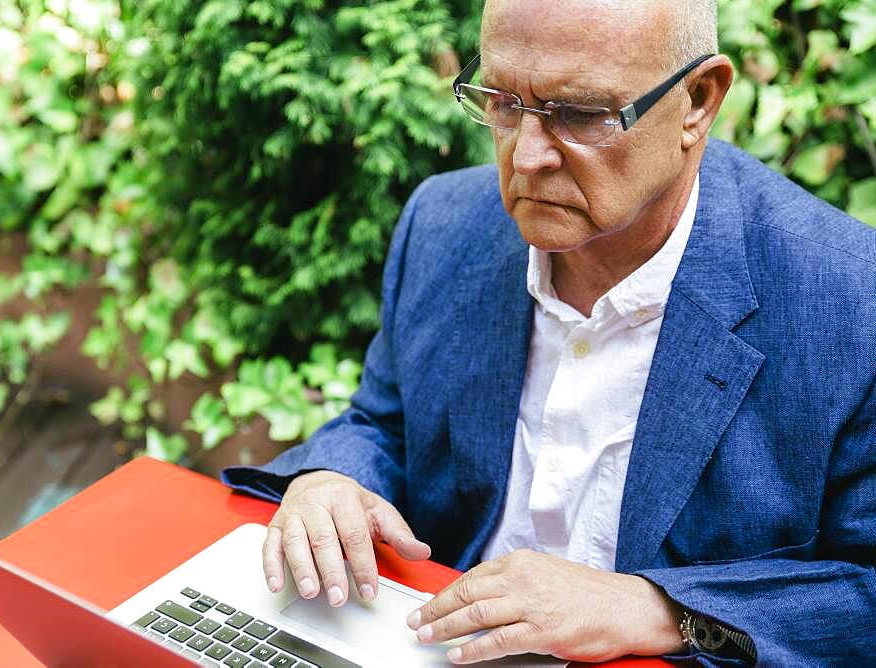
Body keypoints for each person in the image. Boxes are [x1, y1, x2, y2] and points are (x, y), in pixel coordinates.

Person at [222, 0, 876, 664]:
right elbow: (384, 423)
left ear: (698, 101)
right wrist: (332, 479)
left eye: (581, 114)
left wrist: (658, 609)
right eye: (503, 102)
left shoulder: (851, 303)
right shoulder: (445, 224)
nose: (527, 156)